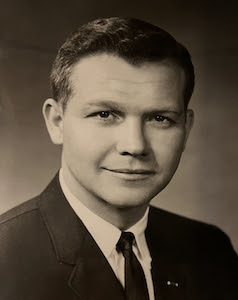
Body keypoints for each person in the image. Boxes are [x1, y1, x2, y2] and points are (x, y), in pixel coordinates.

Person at [0, 17, 237, 300]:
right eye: (105, 114)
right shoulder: (5, 260)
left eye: (160, 118)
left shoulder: (211, 250)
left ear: (186, 130)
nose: (135, 146)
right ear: (57, 122)